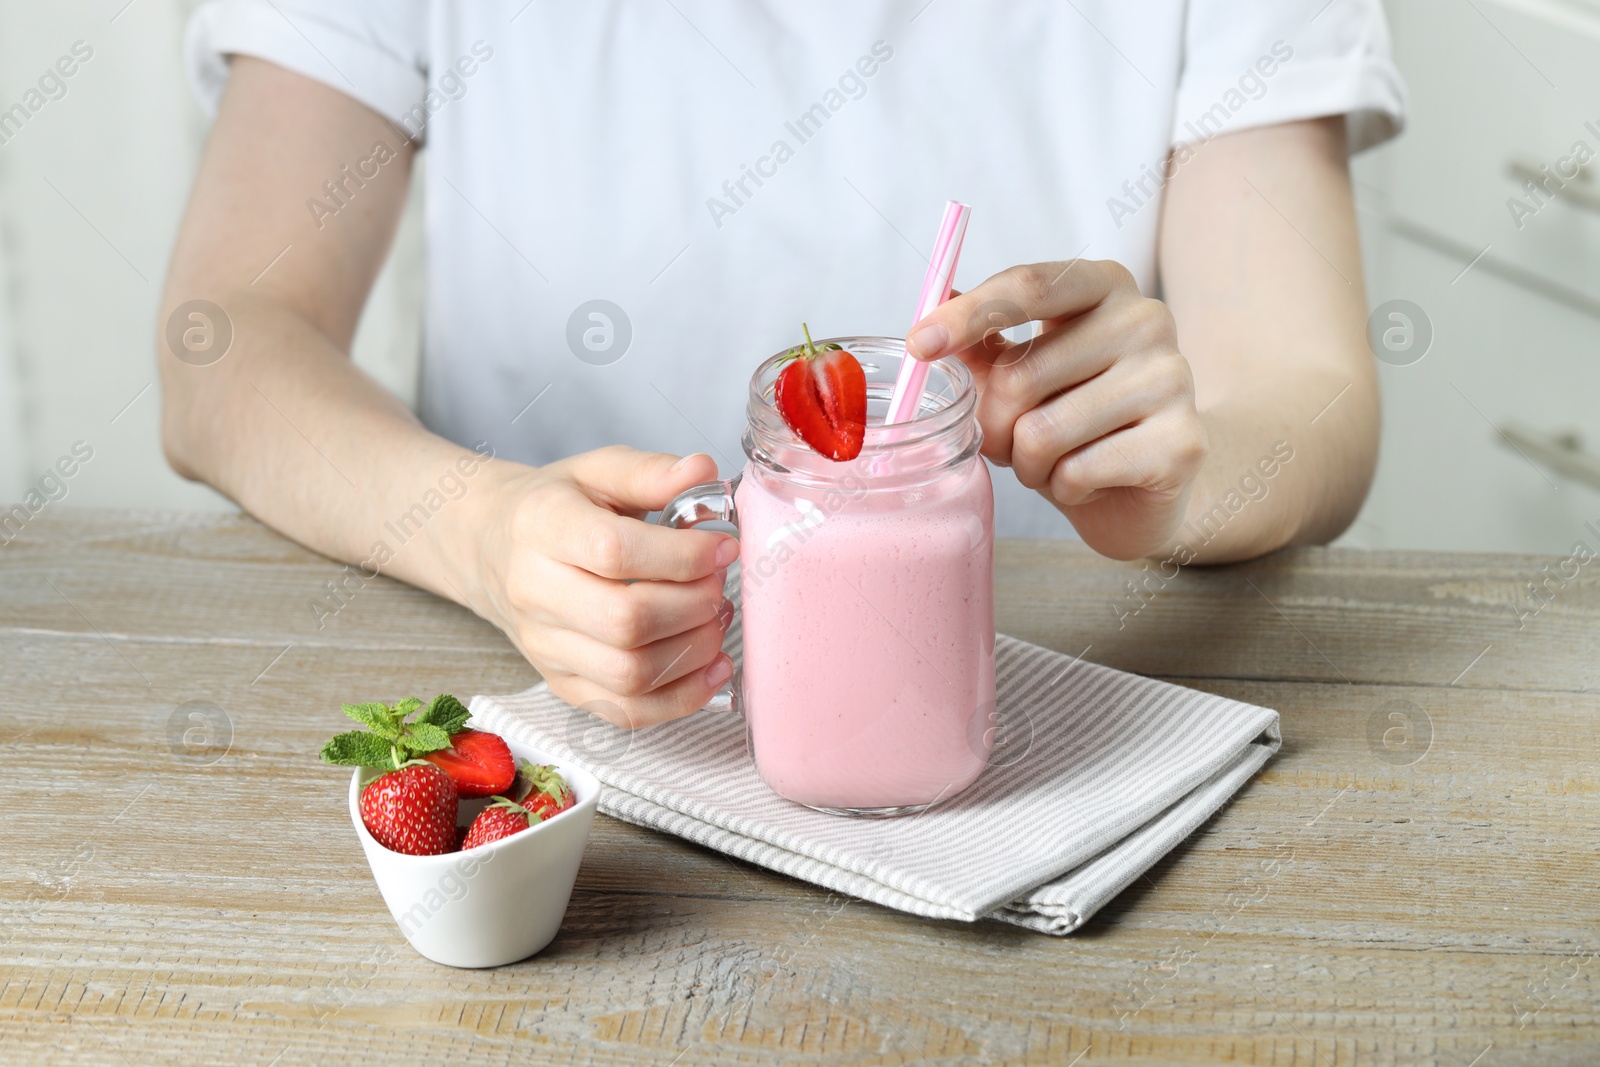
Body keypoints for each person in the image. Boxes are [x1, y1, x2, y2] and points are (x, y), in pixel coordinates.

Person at [161, 1, 1406, 726]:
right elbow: (220, 348)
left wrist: (1190, 482)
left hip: (1027, 725)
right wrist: (480, 531)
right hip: (549, 713)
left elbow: (1313, 397)